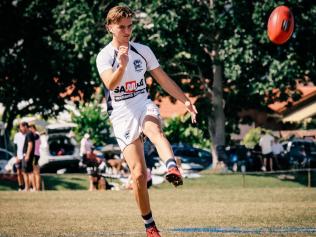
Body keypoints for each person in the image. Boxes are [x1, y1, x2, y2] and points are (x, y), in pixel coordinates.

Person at [96, 6, 198, 237]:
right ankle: (150, 226)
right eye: (121, 26)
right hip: (121, 113)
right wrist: (121, 65)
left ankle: (172, 166)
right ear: (109, 27)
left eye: (130, 25)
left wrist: (185, 100)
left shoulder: (142, 51)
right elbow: (110, 84)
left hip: (142, 103)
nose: (127, 30)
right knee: (139, 175)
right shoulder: (104, 56)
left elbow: (162, 78)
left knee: (154, 130)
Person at [13, 122, 27, 191]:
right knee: (18, 172)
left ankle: (26, 187)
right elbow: (15, 147)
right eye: (21, 127)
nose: (22, 128)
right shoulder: (16, 135)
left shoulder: (28, 135)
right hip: (18, 157)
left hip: (25, 157)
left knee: (24, 172)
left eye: (23, 126)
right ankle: (21, 187)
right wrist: (16, 157)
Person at [22, 123, 35, 191]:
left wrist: (27, 155)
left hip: (27, 156)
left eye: (21, 127)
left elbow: (30, 145)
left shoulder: (29, 133)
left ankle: (29, 188)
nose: (21, 129)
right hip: (27, 155)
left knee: (28, 172)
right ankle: (28, 188)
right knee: (27, 172)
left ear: (25, 126)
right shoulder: (29, 133)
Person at [29, 124, 41, 191]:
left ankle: (36, 188)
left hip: (34, 155)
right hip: (36, 154)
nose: (29, 130)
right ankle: (36, 188)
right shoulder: (36, 134)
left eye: (30, 128)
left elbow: (35, 137)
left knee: (35, 172)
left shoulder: (36, 134)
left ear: (33, 128)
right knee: (36, 172)